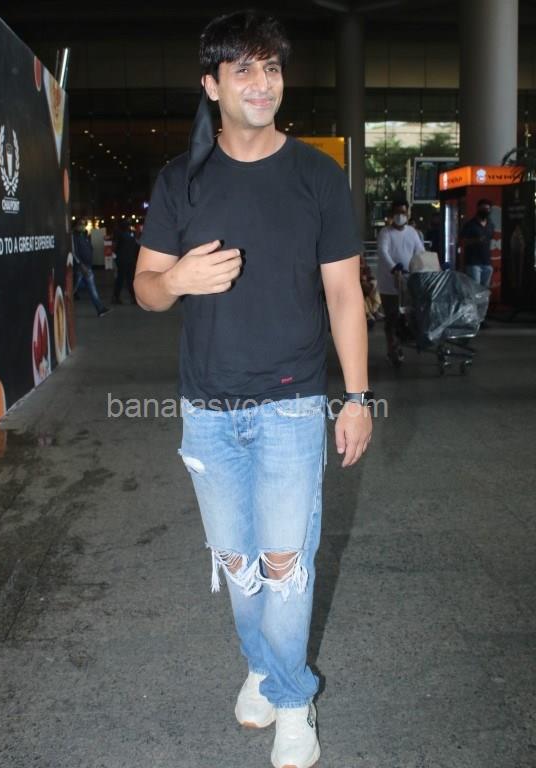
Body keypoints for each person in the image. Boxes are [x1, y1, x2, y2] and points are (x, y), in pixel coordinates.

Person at [134, 11, 372, 768]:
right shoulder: (181, 180)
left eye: (271, 68)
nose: (261, 83)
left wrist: (357, 398)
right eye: (243, 69)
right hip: (208, 409)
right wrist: (177, 278)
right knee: (237, 566)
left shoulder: (316, 177)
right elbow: (145, 289)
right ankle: (263, 668)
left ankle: (293, 700)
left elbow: (344, 295)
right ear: (212, 85)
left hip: (292, 405)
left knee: (283, 564)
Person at [377, 200, 424, 366]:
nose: (400, 216)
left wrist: (423, 266)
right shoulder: (385, 233)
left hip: (408, 283)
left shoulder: (412, 232)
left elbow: (420, 251)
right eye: (397, 212)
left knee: (405, 317)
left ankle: (399, 345)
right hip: (389, 285)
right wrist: (394, 268)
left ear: (408, 213)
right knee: (392, 317)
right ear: (392, 214)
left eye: (403, 212)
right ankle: (393, 349)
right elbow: (383, 252)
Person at [72, 219, 111, 317]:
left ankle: (100, 309)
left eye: (83, 224)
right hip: (81, 267)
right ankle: (64, 302)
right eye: (80, 224)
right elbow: (74, 252)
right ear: (75, 225)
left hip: (87, 266)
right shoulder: (73, 237)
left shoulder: (84, 235)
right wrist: (81, 265)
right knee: (74, 288)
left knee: (90, 287)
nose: (82, 226)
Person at [459, 198, 495, 288]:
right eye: (484, 209)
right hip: (473, 263)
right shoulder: (470, 224)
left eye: (488, 209)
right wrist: (475, 240)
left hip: (487, 262)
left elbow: (490, 240)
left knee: (485, 290)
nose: (486, 211)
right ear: (478, 209)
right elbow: (461, 241)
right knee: (475, 289)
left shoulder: (490, 225)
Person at [112, 220, 138, 304]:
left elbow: (115, 247)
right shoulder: (131, 236)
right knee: (129, 279)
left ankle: (116, 297)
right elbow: (135, 247)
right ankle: (133, 297)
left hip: (122, 260)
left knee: (121, 279)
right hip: (129, 260)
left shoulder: (120, 235)